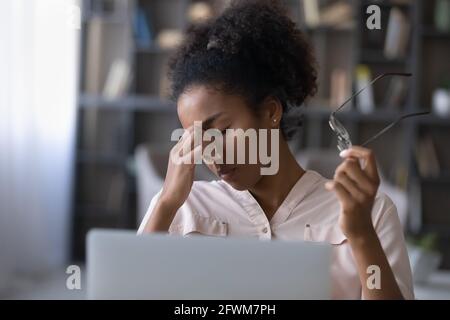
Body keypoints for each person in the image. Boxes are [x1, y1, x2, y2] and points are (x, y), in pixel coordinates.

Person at [137, 0, 414, 300]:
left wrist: (360, 235)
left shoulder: (368, 213)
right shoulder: (182, 210)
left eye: (221, 131)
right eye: (196, 140)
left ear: (271, 112)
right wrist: (165, 204)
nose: (211, 153)